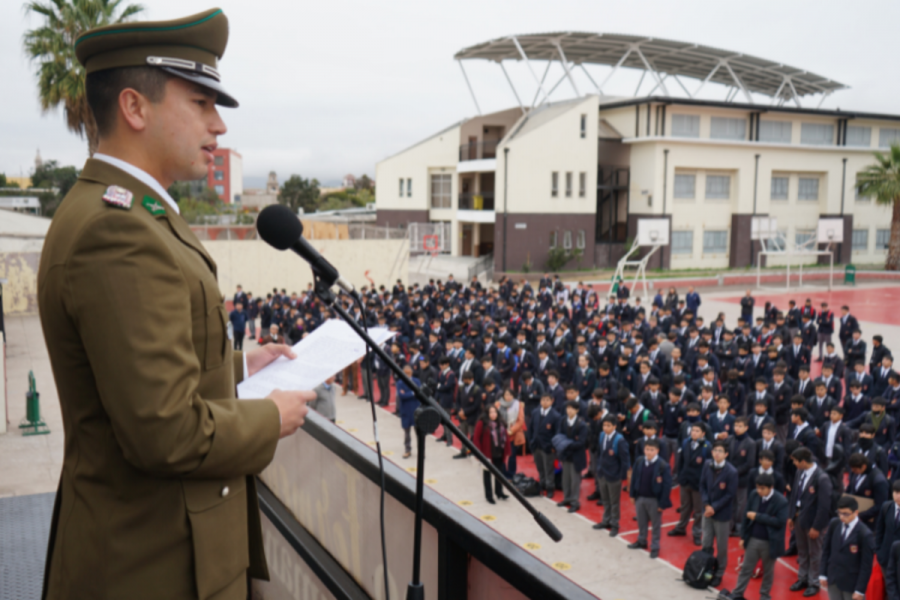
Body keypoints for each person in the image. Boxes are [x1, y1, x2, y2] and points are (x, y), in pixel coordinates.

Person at [37, 9, 314, 598]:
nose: (218, 127)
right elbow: (163, 431)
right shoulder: (117, 231)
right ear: (135, 108)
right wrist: (272, 417)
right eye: (201, 104)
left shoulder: (135, 212)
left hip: (159, 551)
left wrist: (240, 368)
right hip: (147, 565)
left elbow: (140, 371)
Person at [731, 473, 788, 600]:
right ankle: (738, 593)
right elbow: (746, 515)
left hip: (770, 542)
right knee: (746, 568)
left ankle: (764, 595)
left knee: (768, 571)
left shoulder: (781, 501)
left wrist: (757, 516)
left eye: (762, 488)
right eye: (757, 487)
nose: (759, 491)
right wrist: (743, 537)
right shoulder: (754, 494)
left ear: (771, 487)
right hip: (753, 539)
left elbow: (780, 522)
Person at [789, 446, 834, 596]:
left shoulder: (822, 478)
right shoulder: (799, 472)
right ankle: (802, 578)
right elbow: (794, 495)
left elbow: (824, 506)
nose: (794, 463)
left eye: (795, 461)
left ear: (803, 461)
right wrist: (791, 516)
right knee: (802, 551)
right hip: (799, 518)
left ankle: (814, 582)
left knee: (815, 553)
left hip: (813, 522)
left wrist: (817, 526)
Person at [820, 496, 876, 600]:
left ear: (856, 513)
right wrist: (823, 573)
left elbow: (866, 565)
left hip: (851, 585)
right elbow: (826, 550)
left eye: (845, 514)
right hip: (834, 580)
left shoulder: (864, 534)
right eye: (839, 512)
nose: (841, 516)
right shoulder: (834, 524)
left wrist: (860, 590)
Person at [700, 440, 738, 587]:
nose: (717, 453)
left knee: (722, 547)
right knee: (706, 543)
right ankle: (706, 568)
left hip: (721, 515)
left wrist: (713, 507)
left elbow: (729, 495)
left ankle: (719, 573)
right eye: (715, 450)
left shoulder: (731, 472)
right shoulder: (707, 465)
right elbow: (702, 485)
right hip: (707, 512)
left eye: (720, 451)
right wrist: (706, 504)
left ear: (726, 454)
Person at [628, 438, 672, 559]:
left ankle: (655, 546)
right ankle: (642, 540)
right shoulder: (639, 461)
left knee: (656, 524)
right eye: (647, 449)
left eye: (652, 450)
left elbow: (667, 486)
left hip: (654, 500)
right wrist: (632, 494)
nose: (649, 452)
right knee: (641, 522)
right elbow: (634, 478)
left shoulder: (663, 465)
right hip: (640, 497)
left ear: (657, 451)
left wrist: (662, 503)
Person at [669, 421, 710, 545]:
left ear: (703, 433)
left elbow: (708, 468)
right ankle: (681, 528)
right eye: (693, 430)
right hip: (685, 481)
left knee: (698, 512)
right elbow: (680, 461)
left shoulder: (707, 447)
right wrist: (680, 477)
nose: (694, 433)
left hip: (698, 484)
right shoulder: (686, 442)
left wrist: (704, 484)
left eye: (697, 431)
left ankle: (697, 533)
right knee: (685, 507)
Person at [594, 415, 629, 537]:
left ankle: (614, 524)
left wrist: (621, 476)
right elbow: (600, 454)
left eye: (608, 425)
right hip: (602, 473)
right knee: (605, 499)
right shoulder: (601, 436)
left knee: (614, 502)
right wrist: (598, 468)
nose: (605, 428)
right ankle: (606, 520)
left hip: (614, 475)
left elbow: (625, 460)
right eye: (604, 425)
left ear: (614, 426)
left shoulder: (619, 440)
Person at [473, 405, 511, 504]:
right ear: (486, 413)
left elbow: (506, 438)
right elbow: (476, 439)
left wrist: (507, 452)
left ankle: (499, 492)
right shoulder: (482, 423)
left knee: (499, 474)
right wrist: (479, 454)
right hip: (487, 454)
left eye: (495, 412)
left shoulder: (500, 423)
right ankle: (489, 496)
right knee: (487, 475)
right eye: (490, 412)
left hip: (499, 453)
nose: (493, 414)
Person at [556, 400, 589, 513]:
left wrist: (567, 444)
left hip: (576, 456)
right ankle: (567, 498)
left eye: (572, 408)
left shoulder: (581, 424)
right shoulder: (563, 421)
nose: (569, 410)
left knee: (575, 480)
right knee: (566, 479)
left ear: (577, 410)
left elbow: (581, 442)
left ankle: (575, 502)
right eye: (568, 408)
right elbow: (560, 436)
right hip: (566, 455)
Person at [530, 393, 561, 498]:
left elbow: (557, 433)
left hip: (548, 447)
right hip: (536, 445)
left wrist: (553, 447)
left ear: (551, 401)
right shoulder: (535, 412)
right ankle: (542, 484)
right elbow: (531, 429)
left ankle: (550, 487)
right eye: (543, 400)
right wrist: (531, 441)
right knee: (540, 467)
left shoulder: (555, 416)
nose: (545, 402)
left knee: (549, 469)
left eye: (547, 400)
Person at [500, 387, 526, 476]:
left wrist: (512, 430)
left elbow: (520, 420)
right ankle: (502, 472)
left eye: (510, 395)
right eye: (506, 394)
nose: (508, 397)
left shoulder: (518, 405)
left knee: (512, 455)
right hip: (501, 433)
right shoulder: (499, 404)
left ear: (513, 395)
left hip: (513, 434)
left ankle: (511, 474)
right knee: (501, 455)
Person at [396, 364, 421, 459]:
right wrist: (412, 393)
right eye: (405, 373)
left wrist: (408, 393)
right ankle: (407, 449)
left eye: (409, 373)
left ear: (412, 372)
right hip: (405, 410)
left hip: (416, 410)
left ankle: (420, 451)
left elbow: (419, 392)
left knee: (418, 433)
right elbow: (402, 396)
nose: (407, 375)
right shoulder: (400, 383)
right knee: (407, 433)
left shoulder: (417, 381)